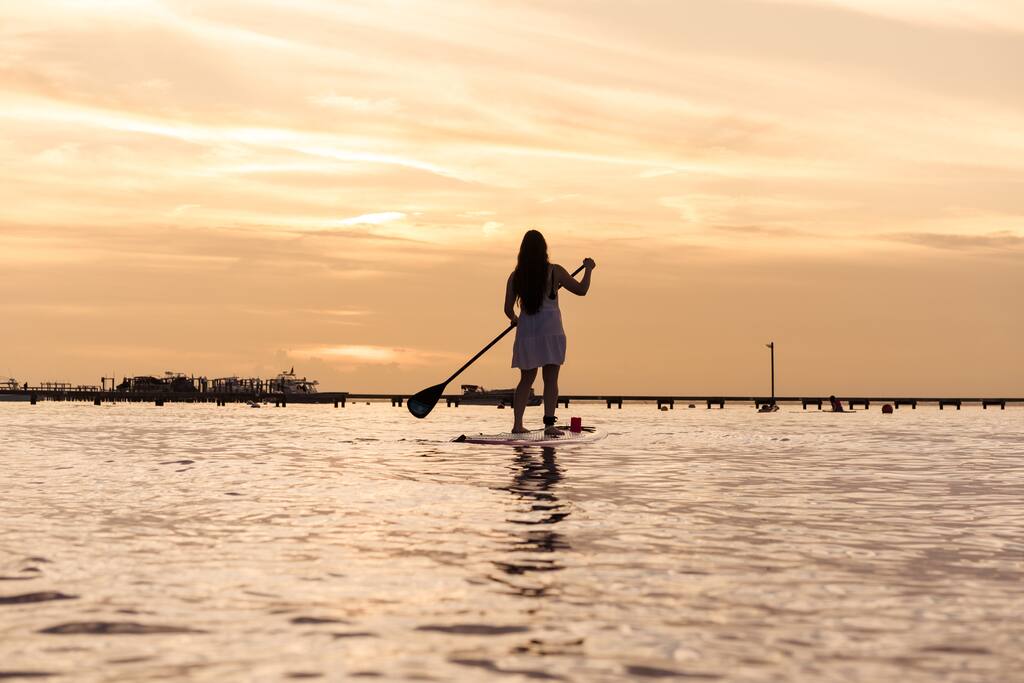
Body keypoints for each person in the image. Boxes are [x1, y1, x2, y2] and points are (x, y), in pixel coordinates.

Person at [504, 230, 595, 435]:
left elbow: (508, 309)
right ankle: (549, 426)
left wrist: (515, 319)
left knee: (526, 379)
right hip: (551, 329)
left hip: (527, 331)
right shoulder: (555, 271)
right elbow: (582, 290)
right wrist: (588, 269)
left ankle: (518, 425)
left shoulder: (516, 276)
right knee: (551, 379)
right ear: (544, 249)